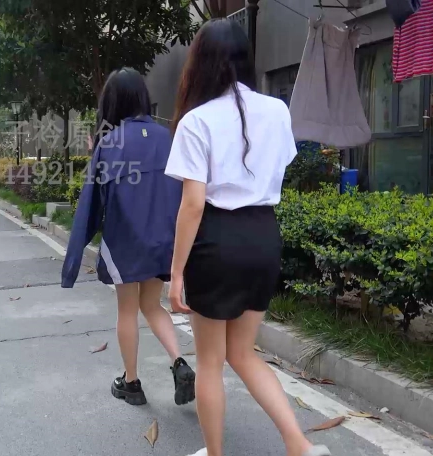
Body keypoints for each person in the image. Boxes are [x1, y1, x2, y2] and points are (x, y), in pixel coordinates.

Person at [165, 19, 331, 456]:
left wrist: (176, 273)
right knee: (243, 353)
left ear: (200, 63)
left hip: (215, 239)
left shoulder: (196, 121)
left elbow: (192, 205)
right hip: (262, 235)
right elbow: (276, 168)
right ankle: (300, 445)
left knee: (210, 362)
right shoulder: (277, 110)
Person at [62, 68, 196, 407]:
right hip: (162, 239)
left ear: (111, 101)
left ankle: (131, 382)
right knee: (151, 304)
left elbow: (91, 203)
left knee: (127, 310)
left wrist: (72, 261)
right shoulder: (168, 137)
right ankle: (179, 362)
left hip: (124, 242)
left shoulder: (109, 143)